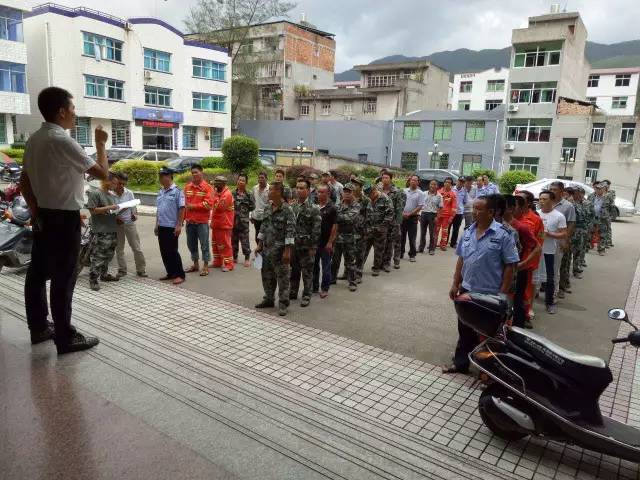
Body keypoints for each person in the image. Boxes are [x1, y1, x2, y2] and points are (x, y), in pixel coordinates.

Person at [21, 86, 108, 353]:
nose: (74, 114)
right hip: (63, 219)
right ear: (61, 112)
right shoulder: (62, 140)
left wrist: (36, 213)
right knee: (64, 278)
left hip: (45, 215)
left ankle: (39, 327)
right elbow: (103, 173)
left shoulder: (34, 139)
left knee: (37, 273)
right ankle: (65, 336)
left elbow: (24, 181)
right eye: (72, 109)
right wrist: (101, 143)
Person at [443, 194, 519, 374]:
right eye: (473, 208)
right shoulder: (468, 231)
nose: (474, 212)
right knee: (465, 329)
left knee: (489, 335)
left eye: (479, 209)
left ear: (491, 212)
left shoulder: (503, 234)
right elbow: (461, 259)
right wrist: (455, 283)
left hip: (490, 293)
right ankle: (461, 364)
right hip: (468, 289)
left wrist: (502, 294)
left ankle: (488, 372)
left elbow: (511, 266)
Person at [255, 182, 296, 316]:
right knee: (267, 276)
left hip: (280, 251)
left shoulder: (287, 210)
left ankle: (283, 304)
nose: (268, 192)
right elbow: (263, 226)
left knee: (283, 278)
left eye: (271, 189)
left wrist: (287, 251)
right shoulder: (268, 207)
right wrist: (259, 244)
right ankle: (269, 299)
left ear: (279, 192)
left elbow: (290, 232)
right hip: (267, 249)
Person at [503, 195, 540, 329]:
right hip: (502, 271)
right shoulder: (496, 225)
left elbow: (537, 248)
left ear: (512, 208)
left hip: (518, 272)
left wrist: (521, 265)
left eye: (504, 206)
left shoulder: (521, 227)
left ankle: (517, 330)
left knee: (517, 301)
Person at [289, 179, 321, 307]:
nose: (299, 190)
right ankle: (293, 291)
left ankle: (307, 295)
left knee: (307, 272)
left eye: (302, 188)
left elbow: (316, 230)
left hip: (307, 246)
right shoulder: (293, 206)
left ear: (308, 190)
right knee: (294, 270)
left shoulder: (314, 208)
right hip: (294, 245)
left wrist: (313, 246)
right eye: (297, 188)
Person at [86, 174, 120, 291]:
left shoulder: (111, 195)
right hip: (101, 231)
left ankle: (104, 275)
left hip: (112, 229)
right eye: (114, 183)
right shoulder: (95, 193)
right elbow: (92, 210)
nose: (115, 186)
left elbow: (112, 210)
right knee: (99, 255)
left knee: (109, 254)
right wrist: (109, 207)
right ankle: (93, 279)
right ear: (106, 181)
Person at [112, 172, 147, 279]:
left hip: (129, 224)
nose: (122, 186)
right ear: (115, 182)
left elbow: (133, 208)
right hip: (117, 225)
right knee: (119, 248)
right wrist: (116, 218)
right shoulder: (110, 194)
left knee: (136, 247)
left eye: (124, 184)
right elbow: (108, 210)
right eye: (120, 183)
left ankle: (141, 269)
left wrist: (134, 215)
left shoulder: (129, 193)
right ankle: (122, 270)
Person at [538, 190, 567, 314]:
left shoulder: (559, 216)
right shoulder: (536, 214)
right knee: (534, 276)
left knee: (550, 277)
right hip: (535, 250)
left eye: (545, 199)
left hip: (549, 251)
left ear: (552, 201)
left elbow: (564, 233)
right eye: (540, 199)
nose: (542, 201)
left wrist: (550, 234)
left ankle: (549, 302)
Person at [155, 167, 186, 285]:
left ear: (169, 177)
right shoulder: (161, 191)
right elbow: (159, 210)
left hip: (171, 226)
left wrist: (179, 225)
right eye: (160, 176)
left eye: (163, 176)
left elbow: (182, 209)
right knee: (164, 251)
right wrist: (156, 224)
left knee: (173, 251)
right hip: (161, 225)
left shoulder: (177, 191)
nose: (161, 178)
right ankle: (170, 272)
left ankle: (180, 274)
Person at [183, 165, 213, 276]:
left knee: (204, 244)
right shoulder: (187, 187)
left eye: (196, 172)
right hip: (190, 222)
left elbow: (209, 204)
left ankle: (205, 266)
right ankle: (195, 264)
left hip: (202, 222)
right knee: (191, 244)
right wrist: (182, 219)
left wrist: (193, 206)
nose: (194, 174)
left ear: (201, 172)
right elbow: (184, 205)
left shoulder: (207, 187)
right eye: (192, 173)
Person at [549, 181, 576, 299]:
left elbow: (571, 224)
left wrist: (565, 240)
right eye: (551, 189)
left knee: (556, 267)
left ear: (561, 191)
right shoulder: (546, 202)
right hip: (545, 240)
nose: (552, 191)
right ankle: (542, 288)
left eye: (554, 189)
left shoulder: (568, 206)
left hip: (559, 240)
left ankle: (555, 292)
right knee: (543, 266)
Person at [333, 183, 360, 292]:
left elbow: (350, 218)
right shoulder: (338, 204)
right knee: (335, 260)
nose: (347, 194)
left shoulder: (356, 205)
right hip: (337, 236)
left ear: (353, 193)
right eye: (345, 191)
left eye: (349, 192)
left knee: (350, 261)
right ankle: (332, 278)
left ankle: (352, 282)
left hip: (349, 237)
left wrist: (335, 217)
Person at [363, 184, 394, 276]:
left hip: (380, 229)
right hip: (369, 229)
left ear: (375, 191)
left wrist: (382, 227)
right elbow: (365, 213)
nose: (369, 197)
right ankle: (359, 267)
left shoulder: (385, 199)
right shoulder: (368, 199)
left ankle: (376, 268)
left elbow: (390, 214)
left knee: (378, 250)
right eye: (367, 195)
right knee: (364, 249)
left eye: (370, 194)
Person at [313, 183, 337, 298]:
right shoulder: (314, 206)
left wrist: (330, 242)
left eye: (322, 192)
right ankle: (314, 286)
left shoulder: (332, 207)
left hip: (326, 243)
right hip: (315, 242)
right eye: (318, 192)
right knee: (314, 265)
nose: (319, 194)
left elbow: (335, 226)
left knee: (326, 266)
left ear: (328, 193)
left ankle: (325, 288)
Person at [381, 171, 406, 270]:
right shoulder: (379, 190)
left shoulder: (396, 191)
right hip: (381, 221)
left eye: (386, 177)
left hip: (392, 221)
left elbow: (399, 208)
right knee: (382, 242)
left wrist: (397, 222)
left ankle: (387, 263)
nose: (384, 179)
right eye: (383, 177)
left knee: (390, 243)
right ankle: (380, 262)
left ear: (391, 179)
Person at [210, 176, 235, 272]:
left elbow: (219, 208)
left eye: (216, 183)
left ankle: (229, 264)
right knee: (215, 244)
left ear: (222, 184)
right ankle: (217, 261)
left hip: (224, 224)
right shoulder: (218, 193)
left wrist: (214, 196)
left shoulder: (227, 194)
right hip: (217, 224)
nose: (214, 185)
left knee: (225, 245)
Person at [232, 173, 255, 267]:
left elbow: (252, 206)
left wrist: (243, 212)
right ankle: (234, 257)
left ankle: (247, 259)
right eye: (239, 180)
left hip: (243, 222)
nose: (241, 182)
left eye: (243, 180)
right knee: (233, 240)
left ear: (246, 182)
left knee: (245, 241)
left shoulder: (249, 194)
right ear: (237, 181)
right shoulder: (232, 193)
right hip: (233, 221)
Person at [571, 186, 594, 278]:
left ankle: (576, 269)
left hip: (582, 231)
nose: (578, 195)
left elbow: (591, 215)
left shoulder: (585, 204)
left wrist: (589, 227)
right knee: (568, 254)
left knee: (578, 251)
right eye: (576, 192)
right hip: (571, 231)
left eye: (580, 193)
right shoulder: (570, 204)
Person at [401, 174, 424, 262]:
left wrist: (410, 214)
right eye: (412, 180)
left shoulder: (420, 193)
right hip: (403, 216)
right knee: (401, 237)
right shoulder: (404, 191)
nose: (413, 181)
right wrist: (403, 213)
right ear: (409, 181)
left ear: (418, 182)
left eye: (415, 180)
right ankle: (401, 253)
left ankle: (412, 254)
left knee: (412, 237)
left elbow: (420, 206)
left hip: (413, 218)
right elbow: (400, 203)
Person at [418, 179, 442, 255]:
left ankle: (431, 249)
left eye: (435, 184)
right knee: (422, 232)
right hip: (424, 214)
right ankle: (421, 248)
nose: (433, 186)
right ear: (429, 185)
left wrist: (437, 217)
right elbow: (420, 204)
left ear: (437, 186)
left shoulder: (439, 196)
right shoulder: (424, 193)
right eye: (431, 184)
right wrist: (419, 214)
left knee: (432, 233)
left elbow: (440, 208)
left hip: (433, 215)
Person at [435, 177, 457, 251]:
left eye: (449, 182)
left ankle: (443, 245)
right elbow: (435, 204)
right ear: (444, 183)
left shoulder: (453, 194)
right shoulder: (438, 192)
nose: (447, 183)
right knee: (436, 230)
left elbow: (454, 207)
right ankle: (433, 244)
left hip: (447, 216)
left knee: (445, 231)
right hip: (438, 215)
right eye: (446, 182)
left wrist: (452, 217)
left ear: (451, 184)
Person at [593, 183, 613, 255]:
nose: (598, 190)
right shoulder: (592, 197)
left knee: (602, 234)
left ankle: (601, 249)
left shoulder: (607, 198)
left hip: (602, 219)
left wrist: (607, 215)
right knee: (590, 232)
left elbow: (611, 207)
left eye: (600, 189)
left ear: (603, 189)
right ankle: (587, 246)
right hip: (593, 218)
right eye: (597, 189)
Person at [251, 171, 269, 244]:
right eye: (259, 178)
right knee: (257, 236)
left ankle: (264, 253)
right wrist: (251, 215)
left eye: (262, 178)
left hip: (266, 217)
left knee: (265, 237)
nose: (260, 179)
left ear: (266, 179)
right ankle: (259, 254)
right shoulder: (254, 188)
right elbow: (252, 202)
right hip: (256, 217)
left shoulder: (270, 189)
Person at [448, 177, 467, 248]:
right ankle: (444, 242)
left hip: (459, 213)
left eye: (462, 182)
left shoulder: (464, 191)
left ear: (463, 183)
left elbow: (465, 201)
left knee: (456, 229)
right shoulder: (452, 189)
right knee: (448, 228)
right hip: (450, 212)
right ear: (457, 181)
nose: (460, 183)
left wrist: (460, 207)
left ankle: (453, 243)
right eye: (460, 181)